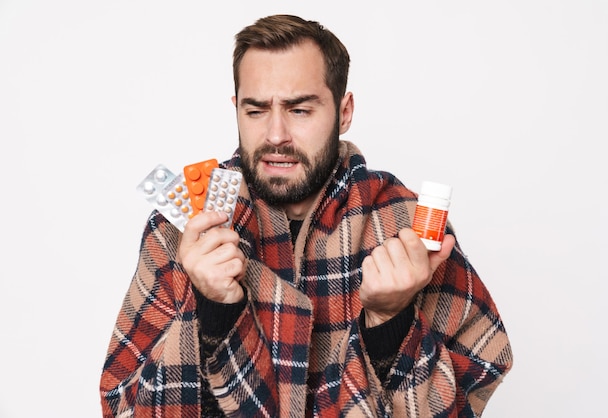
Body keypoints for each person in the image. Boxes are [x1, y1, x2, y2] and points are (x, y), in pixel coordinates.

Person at [99, 14, 513, 417]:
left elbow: (470, 391)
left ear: (344, 111)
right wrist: (212, 312)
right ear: (236, 108)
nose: (275, 135)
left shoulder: (406, 226)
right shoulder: (181, 231)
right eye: (256, 110)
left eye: (299, 110)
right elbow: (122, 406)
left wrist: (391, 323)